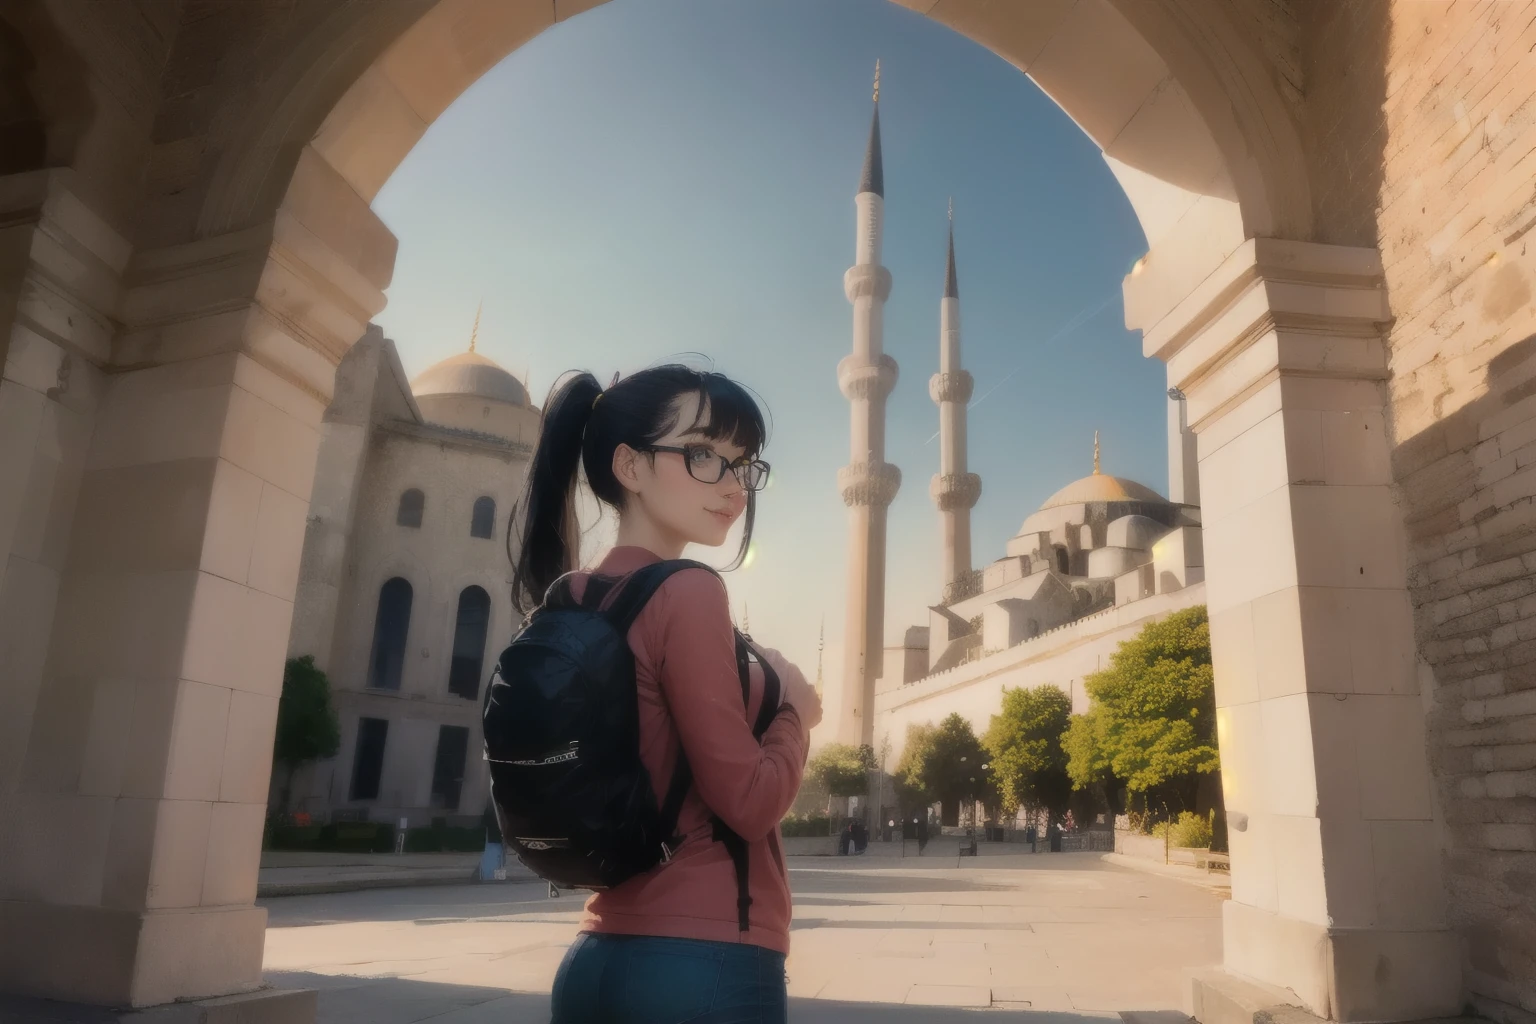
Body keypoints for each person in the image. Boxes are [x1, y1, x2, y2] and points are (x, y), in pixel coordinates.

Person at [512, 366, 823, 1024]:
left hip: (596, 959)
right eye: (704, 455)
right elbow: (748, 803)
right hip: (704, 961)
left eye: (743, 465)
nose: (733, 486)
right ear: (629, 465)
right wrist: (794, 710)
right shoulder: (688, 590)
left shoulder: (572, 594)